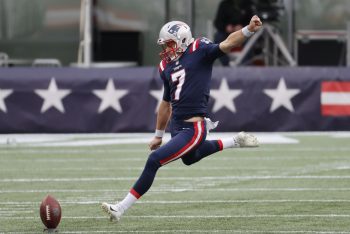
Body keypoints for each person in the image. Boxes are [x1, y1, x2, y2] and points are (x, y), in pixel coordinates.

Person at [101, 15, 262, 222]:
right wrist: (158, 135)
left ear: (183, 40)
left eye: (169, 43)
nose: (166, 49)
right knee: (189, 159)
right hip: (176, 126)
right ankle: (235, 141)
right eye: (164, 44)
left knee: (154, 161)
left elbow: (228, 43)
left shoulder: (199, 49)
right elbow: (166, 103)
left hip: (194, 127)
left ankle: (120, 208)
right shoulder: (164, 66)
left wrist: (248, 29)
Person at [214, 0, 255, 66]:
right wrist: (226, 27)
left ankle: (245, 65)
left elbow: (253, 22)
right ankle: (227, 65)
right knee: (218, 38)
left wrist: (243, 27)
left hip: (243, 33)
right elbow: (217, 23)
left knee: (252, 39)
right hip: (227, 34)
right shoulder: (224, 4)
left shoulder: (248, 4)